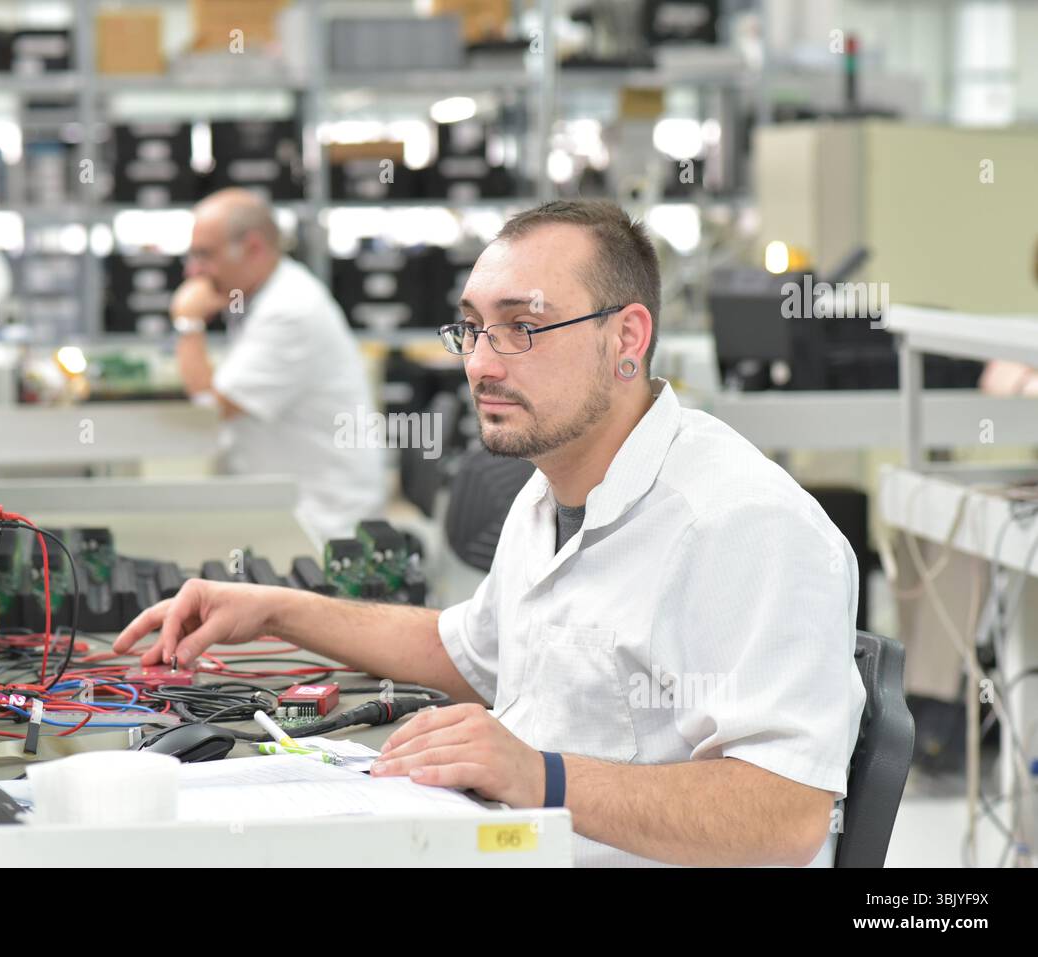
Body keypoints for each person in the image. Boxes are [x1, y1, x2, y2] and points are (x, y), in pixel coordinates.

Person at [124, 198, 866, 868]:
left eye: (523, 328)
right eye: (473, 329)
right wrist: (276, 609)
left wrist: (539, 775)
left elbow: (787, 814)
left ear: (627, 337)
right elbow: (465, 651)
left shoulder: (742, 524)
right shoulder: (550, 490)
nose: (479, 364)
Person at [170, 187, 385, 543]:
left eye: (205, 254)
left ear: (253, 248)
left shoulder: (290, 311)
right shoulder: (262, 295)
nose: (194, 271)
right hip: (287, 501)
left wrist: (188, 323)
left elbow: (210, 410)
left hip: (321, 522)